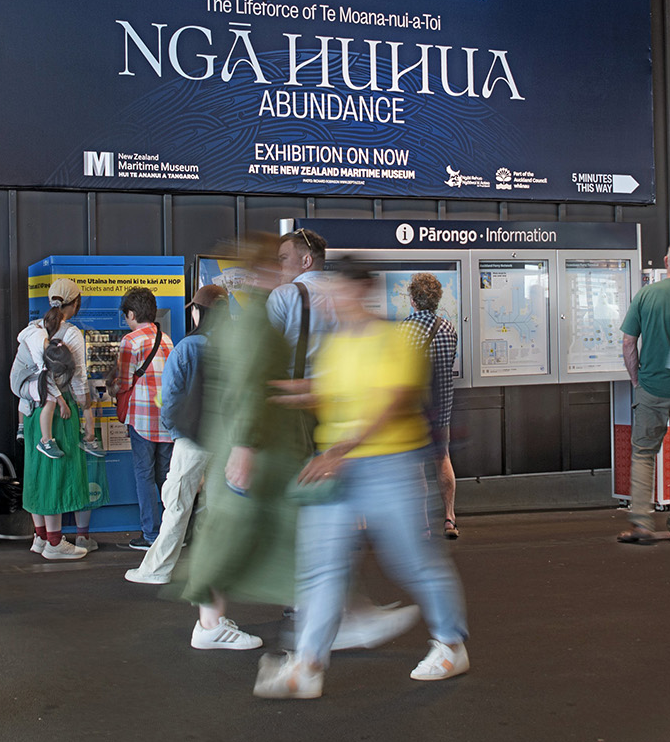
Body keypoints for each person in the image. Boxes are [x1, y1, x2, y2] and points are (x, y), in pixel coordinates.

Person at [253, 261, 471, 699]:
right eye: (326, 293)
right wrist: (285, 391)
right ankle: (307, 666)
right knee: (322, 566)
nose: (329, 301)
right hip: (336, 470)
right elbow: (328, 389)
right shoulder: (335, 345)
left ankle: (451, 645)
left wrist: (340, 450)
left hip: (390, 466)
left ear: (363, 291)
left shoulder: (395, 341)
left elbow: (391, 403)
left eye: (336, 291)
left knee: (413, 561)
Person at [175, 237, 296, 651]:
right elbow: (248, 385)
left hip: (228, 442)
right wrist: (246, 445)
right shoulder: (256, 322)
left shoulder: (233, 323)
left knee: (226, 529)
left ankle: (210, 621)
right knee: (234, 532)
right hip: (243, 449)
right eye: (279, 262)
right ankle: (209, 624)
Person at [126, 285, 226, 585]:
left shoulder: (188, 347)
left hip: (191, 438)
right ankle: (215, 570)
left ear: (198, 312)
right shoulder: (229, 347)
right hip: (224, 440)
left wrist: (175, 431)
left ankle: (156, 570)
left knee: (177, 505)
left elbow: (170, 399)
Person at [617, 242, 670, 545]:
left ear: (667, 261)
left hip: (651, 388)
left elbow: (628, 343)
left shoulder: (646, 295)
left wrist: (637, 379)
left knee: (643, 454)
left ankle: (641, 523)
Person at [11, 278, 102, 560]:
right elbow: (78, 380)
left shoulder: (33, 329)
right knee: (57, 473)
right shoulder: (72, 333)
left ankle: (40, 538)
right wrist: (85, 408)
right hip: (59, 412)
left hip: (29, 409)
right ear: (75, 304)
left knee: (37, 472)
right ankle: (55, 543)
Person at [402, 273, 461, 539]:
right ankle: (449, 518)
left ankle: (424, 526)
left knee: (416, 466)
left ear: (413, 300)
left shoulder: (403, 330)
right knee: (443, 458)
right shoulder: (448, 328)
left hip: (413, 410)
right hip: (442, 407)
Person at [114, 285, 173, 550]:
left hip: (142, 419)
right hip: (167, 419)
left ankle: (150, 535)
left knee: (144, 475)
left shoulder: (131, 341)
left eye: (126, 315)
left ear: (131, 314)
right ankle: (171, 534)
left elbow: (124, 382)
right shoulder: (167, 339)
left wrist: (111, 386)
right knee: (167, 477)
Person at [269, 227, 335, 382]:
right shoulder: (345, 295)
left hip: (295, 394)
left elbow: (267, 352)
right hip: (337, 394)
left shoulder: (284, 295)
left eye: (283, 258)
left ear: (306, 261)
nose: (279, 266)